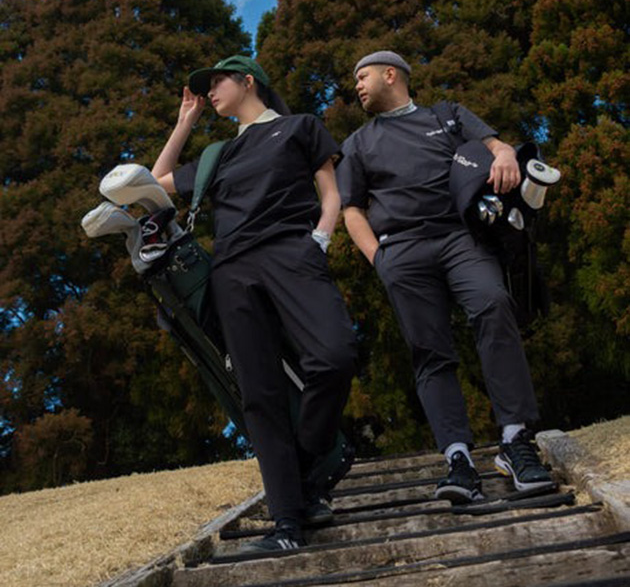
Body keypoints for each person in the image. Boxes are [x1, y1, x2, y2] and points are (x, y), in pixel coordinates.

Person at [152, 55, 357, 552]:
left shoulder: (298, 127)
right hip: (233, 272)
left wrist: (320, 239)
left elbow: (330, 193)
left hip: (293, 254)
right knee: (260, 395)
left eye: (217, 81)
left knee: (334, 355)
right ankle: (287, 524)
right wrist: (185, 124)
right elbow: (154, 184)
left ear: (248, 81)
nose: (209, 92)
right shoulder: (217, 154)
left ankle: (308, 463)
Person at [336, 50, 553, 504]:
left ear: (390, 74)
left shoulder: (447, 115)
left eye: (362, 76)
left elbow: (496, 145)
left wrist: (505, 155)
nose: (356, 86)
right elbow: (351, 209)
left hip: (461, 238)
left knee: (494, 304)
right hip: (401, 251)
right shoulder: (357, 143)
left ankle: (515, 440)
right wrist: (379, 259)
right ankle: (458, 460)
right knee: (430, 352)